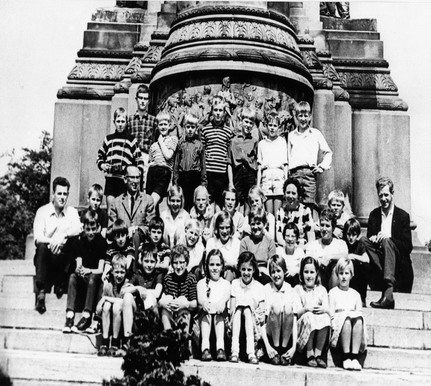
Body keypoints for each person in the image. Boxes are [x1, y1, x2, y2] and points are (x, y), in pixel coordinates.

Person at [33, 176, 82, 313]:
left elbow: (79, 228)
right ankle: (41, 292)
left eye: (65, 194)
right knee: (42, 247)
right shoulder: (42, 211)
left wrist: (63, 236)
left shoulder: (72, 212)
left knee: (74, 241)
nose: (62, 197)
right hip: (47, 258)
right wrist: (52, 241)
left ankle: (61, 281)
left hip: (63, 259)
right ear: (53, 194)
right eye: (59, 193)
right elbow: (37, 238)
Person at [364, 177, 413, 308]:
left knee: (387, 241)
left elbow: (408, 247)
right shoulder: (374, 215)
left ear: (392, 193)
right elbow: (369, 239)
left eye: (386, 195)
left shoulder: (403, 216)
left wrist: (389, 239)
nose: (384, 199)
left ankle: (388, 292)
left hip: (398, 261)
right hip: (379, 258)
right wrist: (373, 238)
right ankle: (385, 275)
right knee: (363, 240)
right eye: (381, 195)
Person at [63, 211, 106, 333]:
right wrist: (80, 270)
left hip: (95, 278)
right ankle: (70, 316)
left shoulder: (102, 242)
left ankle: (87, 316)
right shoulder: (79, 242)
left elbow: (100, 269)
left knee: (92, 277)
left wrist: (87, 270)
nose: (91, 232)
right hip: (85, 278)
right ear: (84, 228)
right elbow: (79, 264)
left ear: (98, 227)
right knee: (72, 277)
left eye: (93, 229)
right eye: (88, 229)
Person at [97, 107, 145, 213]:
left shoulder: (131, 140)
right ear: (114, 122)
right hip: (111, 179)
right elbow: (100, 156)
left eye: (123, 121)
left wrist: (137, 175)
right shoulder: (108, 139)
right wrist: (102, 165)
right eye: (118, 121)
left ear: (126, 122)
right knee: (111, 210)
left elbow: (139, 160)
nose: (120, 124)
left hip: (124, 180)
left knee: (123, 211)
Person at [287, 101, 332, 208]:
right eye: (300, 116)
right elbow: (289, 156)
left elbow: (328, 152)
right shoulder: (291, 135)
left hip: (309, 175)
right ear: (296, 116)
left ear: (310, 116)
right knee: (294, 204)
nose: (303, 119)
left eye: (305, 116)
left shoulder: (315, 133)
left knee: (309, 205)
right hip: (295, 174)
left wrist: (321, 167)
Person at [108, 165, 155, 262]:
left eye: (137, 177)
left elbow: (151, 226)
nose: (135, 181)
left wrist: (136, 229)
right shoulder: (116, 202)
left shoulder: (148, 200)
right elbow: (110, 229)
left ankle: (134, 272)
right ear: (125, 179)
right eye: (132, 177)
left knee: (136, 235)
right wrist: (124, 231)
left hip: (141, 244)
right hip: (121, 245)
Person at [261, 255, 299, 366]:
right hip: (270, 335)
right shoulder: (266, 289)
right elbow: (262, 322)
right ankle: (275, 351)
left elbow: (294, 321)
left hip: (286, 336)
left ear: (285, 271)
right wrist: (268, 347)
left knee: (288, 307)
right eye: (273, 272)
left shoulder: (291, 290)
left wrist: (293, 347)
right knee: (276, 307)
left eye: (279, 271)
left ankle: (284, 351)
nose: (276, 275)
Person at [329, 257, 366, 371]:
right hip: (339, 331)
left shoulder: (355, 294)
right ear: (337, 274)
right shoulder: (333, 292)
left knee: (358, 319)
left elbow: (359, 313)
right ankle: (346, 357)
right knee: (346, 319)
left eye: (347, 273)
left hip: (353, 331)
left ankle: (354, 357)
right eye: (341, 273)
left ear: (351, 275)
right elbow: (331, 316)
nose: (344, 276)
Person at [295, 256, 331, 368]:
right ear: (301, 274)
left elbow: (328, 309)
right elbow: (296, 313)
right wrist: (306, 309)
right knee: (309, 316)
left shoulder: (322, 290)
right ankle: (309, 353)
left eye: (312, 272)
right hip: (303, 323)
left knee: (325, 318)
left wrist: (323, 309)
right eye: (306, 272)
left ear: (316, 274)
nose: (309, 275)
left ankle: (318, 354)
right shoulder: (298, 289)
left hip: (318, 321)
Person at [230, 251, 265, 365]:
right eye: (243, 269)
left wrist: (256, 313)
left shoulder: (259, 287)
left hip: (253, 325)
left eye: (249, 270)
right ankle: (234, 351)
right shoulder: (235, 284)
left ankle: (251, 352)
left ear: (254, 270)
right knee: (240, 308)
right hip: (236, 323)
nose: (246, 273)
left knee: (247, 309)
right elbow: (232, 308)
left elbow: (262, 310)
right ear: (239, 269)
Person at [197, 249, 231, 361]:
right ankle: (205, 348)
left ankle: (220, 348)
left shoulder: (226, 284)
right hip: (205, 320)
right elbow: (200, 298)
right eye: (211, 264)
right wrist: (204, 303)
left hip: (220, 320)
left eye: (218, 264)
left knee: (218, 314)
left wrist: (221, 304)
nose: (215, 268)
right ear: (207, 266)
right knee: (206, 314)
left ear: (222, 266)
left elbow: (225, 298)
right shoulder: (202, 283)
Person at [201, 95, 234, 208]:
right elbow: (203, 152)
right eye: (216, 110)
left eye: (221, 110)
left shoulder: (228, 132)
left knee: (220, 203)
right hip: (209, 171)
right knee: (208, 202)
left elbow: (229, 154)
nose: (218, 113)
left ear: (224, 112)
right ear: (212, 112)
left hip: (222, 172)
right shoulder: (205, 130)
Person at [306, 208, 348, 290]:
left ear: (333, 227)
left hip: (335, 282)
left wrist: (330, 257)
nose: (324, 229)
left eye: (327, 226)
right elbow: (308, 261)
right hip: (317, 282)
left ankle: (333, 296)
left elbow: (345, 256)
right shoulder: (313, 245)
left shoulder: (340, 244)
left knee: (336, 266)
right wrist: (321, 261)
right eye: (322, 225)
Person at [96, 254, 129, 357]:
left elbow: (123, 302)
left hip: (122, 324)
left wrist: (105, 298)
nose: (119, 275)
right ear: (112, 272)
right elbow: (98, 311)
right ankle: (105, 342)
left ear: (126, 272)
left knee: (116, 306)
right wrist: (103, 301)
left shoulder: (127, 285)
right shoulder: (108, 286)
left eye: (122, 272)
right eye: (117, 272)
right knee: (106, 306)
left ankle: (115, 343)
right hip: (109, 322)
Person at [159, 244, 198, 332]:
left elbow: (194, 303)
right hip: (171, 311)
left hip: (184, 311)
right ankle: (168, 337)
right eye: (175, 263)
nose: (178, 266)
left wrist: (185, 304)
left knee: (184, 312)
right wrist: (167, 303)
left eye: (181, 262)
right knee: (164, 312)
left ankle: (183, 341)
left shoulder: (191, 278)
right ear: (172, 264)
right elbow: (164, 298)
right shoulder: (168, 278)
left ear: (186, 263)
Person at [227, 107, 259, 213]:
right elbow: (230, 163)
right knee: (237, 203)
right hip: (238, 174)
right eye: (246, 122)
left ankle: (246, 225)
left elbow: (257, 163)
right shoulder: (234, 141)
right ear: (241, 121)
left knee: (248, 203)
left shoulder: (254, 141)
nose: (248, 125)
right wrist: (231, 182)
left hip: (250, 174)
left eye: (251, 123)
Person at [257, 111, 288, 217]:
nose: (272, 128)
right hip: (266, 178)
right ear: (266, 126)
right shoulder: (262, 144)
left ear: (279, 127)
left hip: (279, 178)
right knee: (269, 215)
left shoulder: (282, 142)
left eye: (275, 126)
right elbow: (259, 166)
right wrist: (258, 185)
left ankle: (278, 233)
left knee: (278, 214)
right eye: (270, 125)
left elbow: (285, 164)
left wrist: (286, 182)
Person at [173, 113, 207, 211]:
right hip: (183, 176)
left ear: (196, 128)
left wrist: (203, 183)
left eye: (193, 127)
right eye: (188, 127)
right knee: (183, 202)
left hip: (194, 177)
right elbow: (176, 163)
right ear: (184, 128)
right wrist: (175, 181)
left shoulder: (199, 145)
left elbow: (203, 165)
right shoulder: (180, 143)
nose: (190, 129)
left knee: (193, 203)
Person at [146, 111, 178, 211]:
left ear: (169, 126)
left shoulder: (173, 139)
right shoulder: (153, 145)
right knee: (149, 202)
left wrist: (160, 141)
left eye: (165, 124)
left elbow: (168, 155)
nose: (163, 127)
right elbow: (150, 162)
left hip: (164, 172)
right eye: (160, 124)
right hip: (152, 173)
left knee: (152, 203)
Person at [122, 243, 163, 314]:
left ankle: (151, 324)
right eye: (146, 261)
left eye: (152, 261)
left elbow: (157, 293)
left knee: (149, 296)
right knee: (127, 296)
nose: (149, 265)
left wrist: (143, 291)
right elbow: (123, 291)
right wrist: (137, 288)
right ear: (141, 261)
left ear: (156, 262)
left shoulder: (158, 274)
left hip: (153, 311)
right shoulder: (137, 273)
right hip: (137, 310)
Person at [240, 207, 276, 284]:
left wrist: (263, 271)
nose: (255, 227)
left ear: (265, 224)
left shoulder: (269, 241)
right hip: (249, 274)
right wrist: (257, 270)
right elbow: (243, 263)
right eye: (253, 224)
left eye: (258, 223)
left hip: (265, 275)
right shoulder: (245, 241)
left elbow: (272, 264)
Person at [275, 179, 315, 247]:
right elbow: (279, 237)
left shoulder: (305, 211)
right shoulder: (280, 212)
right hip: (285, 247)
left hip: (302, 248)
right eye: (288, 192)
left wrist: (299, 249)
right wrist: (290, 248)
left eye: (293, 193)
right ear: (284, 194)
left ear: (298, 195)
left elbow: (311, 238)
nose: (290, 196)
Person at [127, 84, 157, 171]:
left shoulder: (153, 120)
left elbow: (155, 141)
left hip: (146, 157)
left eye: (145, 98)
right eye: (140, 98)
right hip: (131, 157)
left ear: (149, 101)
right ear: (136, 99)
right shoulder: (130, 120)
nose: (142, 101)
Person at [206, 210, 241, 282]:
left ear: (231, 228)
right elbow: (208, 264)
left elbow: (238, 266)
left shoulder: (236, 243)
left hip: (232, 278)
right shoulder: (211, 242)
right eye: (221, 228)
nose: (225, 231)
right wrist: (229, 263)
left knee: (229, 272)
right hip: (214, 276)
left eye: (227, 227)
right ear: (217, 228)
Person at [343, 218, 370, 305]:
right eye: (348, 234)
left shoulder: (360, 245)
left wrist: (353, 256)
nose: (351, 238)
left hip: (356, 275)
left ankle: (362, 298)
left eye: (354, 235)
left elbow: (367, 259)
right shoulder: (343, 243)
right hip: (345, 273)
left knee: (365, 266)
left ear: (357, 234)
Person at [275, 223, 305, 287]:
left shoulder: (300, 252)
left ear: (297, 238)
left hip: (296, 282)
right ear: (283, 237)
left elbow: (303, 269)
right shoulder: (279, 251)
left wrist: (294, 271)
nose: (290, 239)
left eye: (293, 236)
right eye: (287, 236)